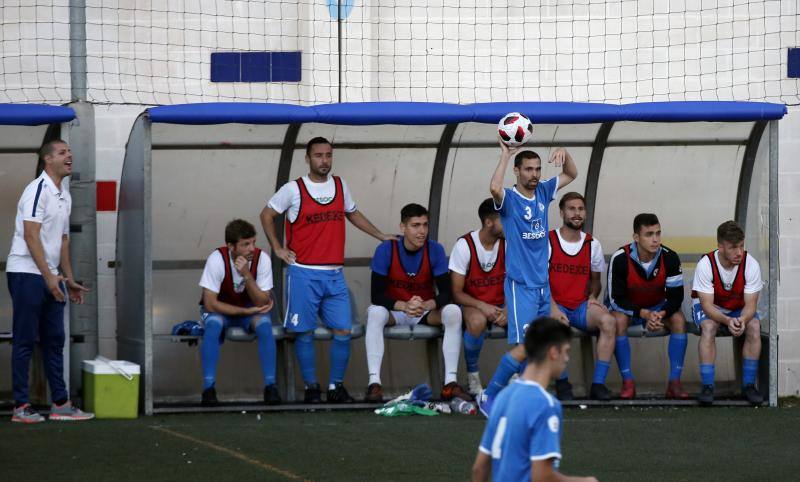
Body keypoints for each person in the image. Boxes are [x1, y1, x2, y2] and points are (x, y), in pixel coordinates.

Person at [261, 137, 393, 403]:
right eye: (319, 155)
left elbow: (353, 213)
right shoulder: (293, 189)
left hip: (334, 274)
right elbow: (266, 214)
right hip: (303, 273)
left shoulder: (340, 185)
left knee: (344, 330)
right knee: (304, 332)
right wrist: (277, 247)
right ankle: (311, 388)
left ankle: (336, 387)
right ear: (307, 158)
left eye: (328, 155)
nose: (324, 160)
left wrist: (380, 235)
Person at [478, 139, 577, 417]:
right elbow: (494, 188)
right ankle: (489, 396)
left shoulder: (544, 191)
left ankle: (522, 398)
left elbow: (571, 174)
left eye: (537, 169)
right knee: (525, 346)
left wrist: (565, 154)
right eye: (528, 169)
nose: (534, 174)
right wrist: (505, 155)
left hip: (543, 286)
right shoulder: (509, 200)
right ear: (518, 172)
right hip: (520, 285)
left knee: (543, 345)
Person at [7, 139, 92, 423]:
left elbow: (63, 241)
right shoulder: (36, 190)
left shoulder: (64, 195)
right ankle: (21, 407)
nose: (70, 155)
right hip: (26, 274)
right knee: (25, 341)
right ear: (48, 160)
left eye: (70, 151)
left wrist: (67, 279)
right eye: (62, 152)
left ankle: (60, 404)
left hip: (51, 277)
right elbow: (31, 235)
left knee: (55, 340)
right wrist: (48, 277)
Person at [472, 317, 598, 482]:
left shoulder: (504, 396)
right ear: (553, 352)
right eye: (566, 351)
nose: (567, 359)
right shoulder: (545, 404)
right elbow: (542, 476)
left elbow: (479, 468)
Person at [365, 203, 466, 402]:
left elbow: (447, 293)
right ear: (402, 228)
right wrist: (404, 305)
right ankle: (374, 384)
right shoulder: (387, 249)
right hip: (395, 311)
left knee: (453, 310)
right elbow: (376, 295)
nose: (422, 231)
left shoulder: (434, 249)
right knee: (375, 312)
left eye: (425, 225)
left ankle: (450, 383)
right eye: (415, 225)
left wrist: (427, 304)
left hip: (423, 311)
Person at [606, 213, 688, 400]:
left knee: (678, 320)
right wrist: (644, 314)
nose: (655, 239)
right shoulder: (620, 258)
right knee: (617, 320)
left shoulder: (670, 257)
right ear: (636, 237)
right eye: (649, 234)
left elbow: (676, 297)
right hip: (631, 309)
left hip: (658, 308)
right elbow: (615, 299)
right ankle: (628, 382)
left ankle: (674, 383)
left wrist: (658, 314)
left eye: (658, 233)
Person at [198, 219, 279, 406]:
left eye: (253, 242)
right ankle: (208, 389)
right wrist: (244, 311)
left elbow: (262, 301)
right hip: (222, 311)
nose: (251, 248)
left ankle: (271, 387)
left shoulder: (262, 259)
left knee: (265, 326)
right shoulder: (217, 259)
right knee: (213, 325)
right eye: (245, 244)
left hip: (249, 310)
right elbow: (210, 304)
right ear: (230, 246)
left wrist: (247, 275)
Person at [548, 192, 616, 401]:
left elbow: (596, 280)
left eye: (580, 209)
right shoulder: (548, 240)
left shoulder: (592, 244)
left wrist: (593, 296)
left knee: (609, 321)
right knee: (558, 327)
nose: (577, 213)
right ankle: (563, 384)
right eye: (571, 209)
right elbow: (538, 282)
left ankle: (597, 384)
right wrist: (553, 308)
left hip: (580, 306)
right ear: (561, 212)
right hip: (553, 304)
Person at [691, 220, 764, 405]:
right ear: (720, 246)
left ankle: (748, 385)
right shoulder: (706, 264)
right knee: (708, 327)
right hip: (711, 306)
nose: (739, 252)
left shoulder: (751, 264)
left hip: (738, 308)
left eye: (741, 246)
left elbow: (751, 304)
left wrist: (742, 319)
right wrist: (726, 320)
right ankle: (708, 386)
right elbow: (706, 305)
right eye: (733, 247)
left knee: (754, 325)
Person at [449, 198, 506, 397]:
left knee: (525, 319)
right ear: (489, 222)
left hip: (501, 304)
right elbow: (456, 292)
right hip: (473, 303)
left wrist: (508, 309)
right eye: (504, 218)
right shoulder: (464, 245)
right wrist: (483, 306)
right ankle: (473, 377)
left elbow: (520, 281)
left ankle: (518, 377)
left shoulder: (509, 243)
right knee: (476, 321)